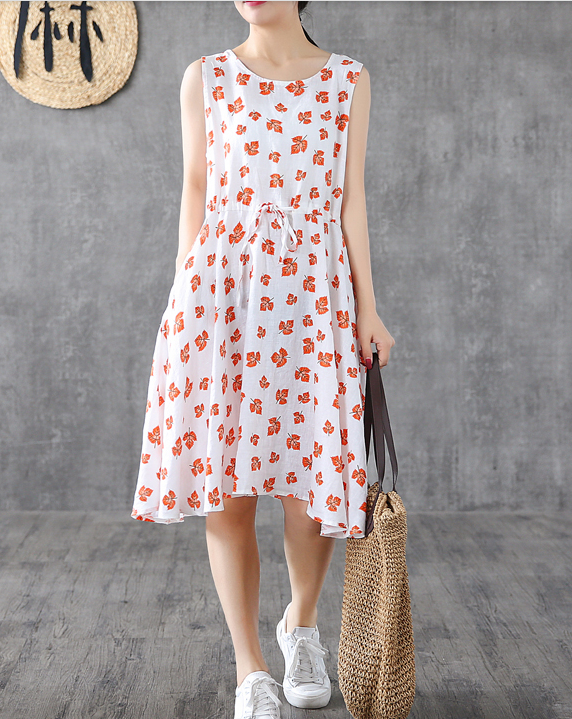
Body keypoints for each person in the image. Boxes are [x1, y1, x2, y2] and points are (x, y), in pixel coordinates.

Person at [131, 1, 395, 717]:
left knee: (313, 486)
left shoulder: (347, 80)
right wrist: (184, 295)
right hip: (222, 295)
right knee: (228, 485)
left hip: (313, 295)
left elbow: (350, 200)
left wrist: (368, 307)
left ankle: (300, 626)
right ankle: (250, 667)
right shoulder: (206, 77)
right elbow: (195, 186)